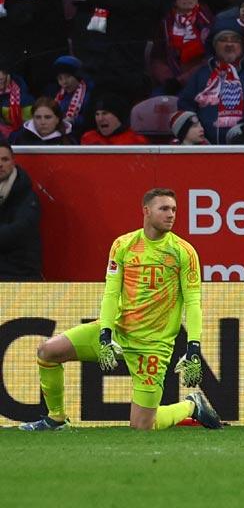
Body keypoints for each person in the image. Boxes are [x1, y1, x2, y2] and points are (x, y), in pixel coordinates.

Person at [19, 188, 221, 431]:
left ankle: (191, 405)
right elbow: (111, 293)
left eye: (174, 209)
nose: (171, 215)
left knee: (143, 425)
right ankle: (56, 418)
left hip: (152, 345)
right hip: (117, 332)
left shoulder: (183, 252)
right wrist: (105, 332)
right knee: (47, 351)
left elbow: (193, 302)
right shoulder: (124, 245)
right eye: (164, 209)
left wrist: (194, 345)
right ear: (146, 211)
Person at [178, 23, 244, 144]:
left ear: (242, 46)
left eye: (235, 40)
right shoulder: (201, 74)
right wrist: (195, 131)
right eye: (223, 40)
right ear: (214, 45)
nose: (229, 44)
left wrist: (243, 130)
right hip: (205, 147)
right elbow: (185, 104)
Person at [150, 0, 214, 93]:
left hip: (204, 79)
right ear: (174, 0)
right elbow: (157, 57)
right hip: (171, 82)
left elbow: (212, 57)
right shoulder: (165, 23)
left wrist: (181, 80)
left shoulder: (208, 20)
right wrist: (169, 80)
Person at [0, 139, 42, 280]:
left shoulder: (26, 195)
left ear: (13, 162)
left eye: (4, 159)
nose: (0, 164)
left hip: (19, 271)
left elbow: (20, 230)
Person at [80, 95, 149, 145]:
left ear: (118, 116)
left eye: (105, 113)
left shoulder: (136, 140)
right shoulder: (88, 138)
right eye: (97, 114)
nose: (100, 119)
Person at [9, 97, 76, 145]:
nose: (42, 122)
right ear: (33, 118)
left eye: (48, 117)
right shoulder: (18, 138)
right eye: (38, 117)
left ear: (57, 119)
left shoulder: (69, 141)